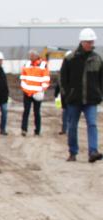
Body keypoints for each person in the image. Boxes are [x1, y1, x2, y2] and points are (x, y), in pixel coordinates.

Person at [59, 28, 102, 162]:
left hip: (91, 100)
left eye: (92, 41)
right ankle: (73, 152)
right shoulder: (70, 59)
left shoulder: (97, 59)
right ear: (82, 42)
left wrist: (100, 94)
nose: (91, 44)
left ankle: (93, 152)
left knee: (92, 124)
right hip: (74, 100)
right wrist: (67, 96)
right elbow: (63, 79)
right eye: (88, 42)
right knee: (72, 126)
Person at [20, 49, 50, 136]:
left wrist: (41, 90)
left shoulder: (43, 65)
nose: (31, 57)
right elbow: (23, 78)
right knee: (26, 111)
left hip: (37, 94)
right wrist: (26, 90)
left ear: (37, 56)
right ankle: (24, 129)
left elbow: (46, 79)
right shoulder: (26, 64)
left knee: (37, 112)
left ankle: (37, 130)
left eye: (32, 55)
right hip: (27, 93)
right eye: (30, 55)